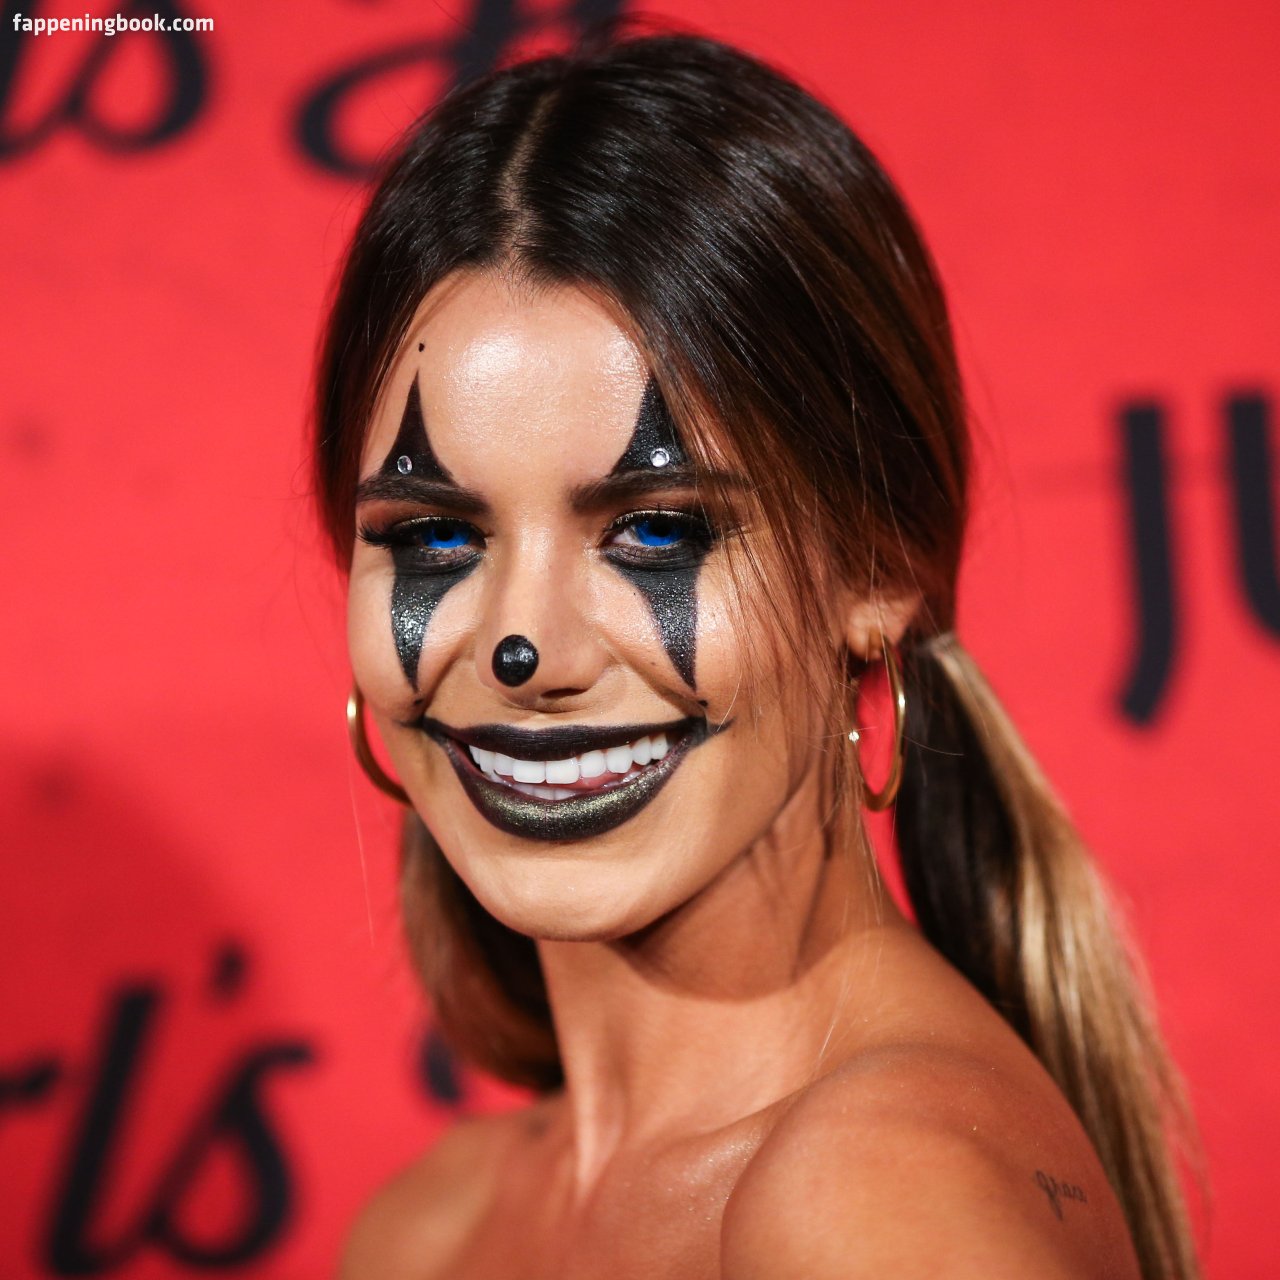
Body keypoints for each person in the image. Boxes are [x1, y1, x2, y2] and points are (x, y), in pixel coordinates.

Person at [315, 29, 1199, 1279]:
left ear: (876, 565)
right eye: (434, 535)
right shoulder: (429, 1226)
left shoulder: (871, 1198)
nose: (522, 645)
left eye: (656, 528)